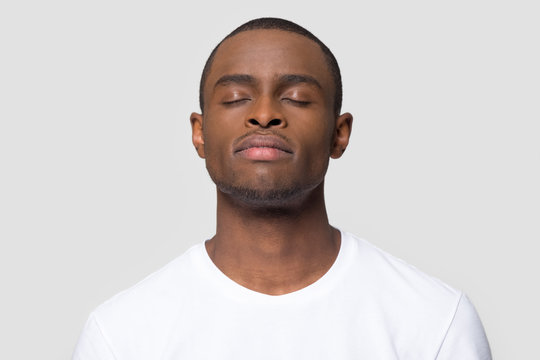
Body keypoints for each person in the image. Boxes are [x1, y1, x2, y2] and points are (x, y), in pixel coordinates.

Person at [72, 17, 492, 359]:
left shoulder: (434, 322)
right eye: (237, 97)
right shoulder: (121, 336)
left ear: (339, 134)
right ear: (199, 134)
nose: (265, 114)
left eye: (296, 97)